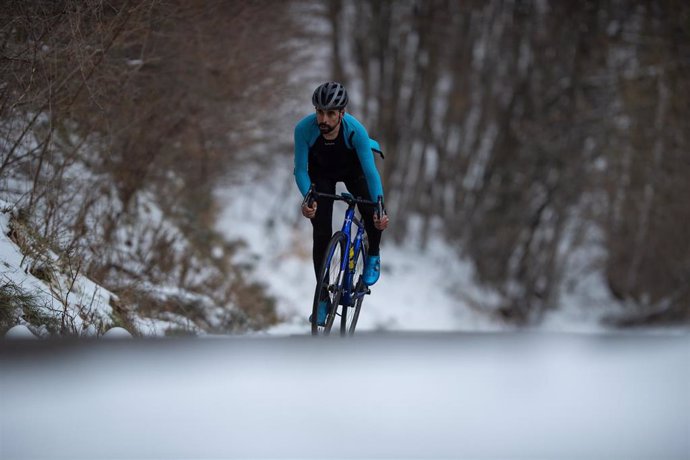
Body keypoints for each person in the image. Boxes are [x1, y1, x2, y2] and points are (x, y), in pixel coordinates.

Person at [294, 81, 389, 325]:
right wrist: (308, 197)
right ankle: (323, 297)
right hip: (321, 174)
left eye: (330, 113)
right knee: (321, 231)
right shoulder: (304, 130)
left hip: (352, 170)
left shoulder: (355, 131)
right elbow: (300, 171)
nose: (323, 119)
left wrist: (379, 205)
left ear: (342, 114)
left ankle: (373, 254)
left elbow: (370, 173)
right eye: (319, 112)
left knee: (371, 213)